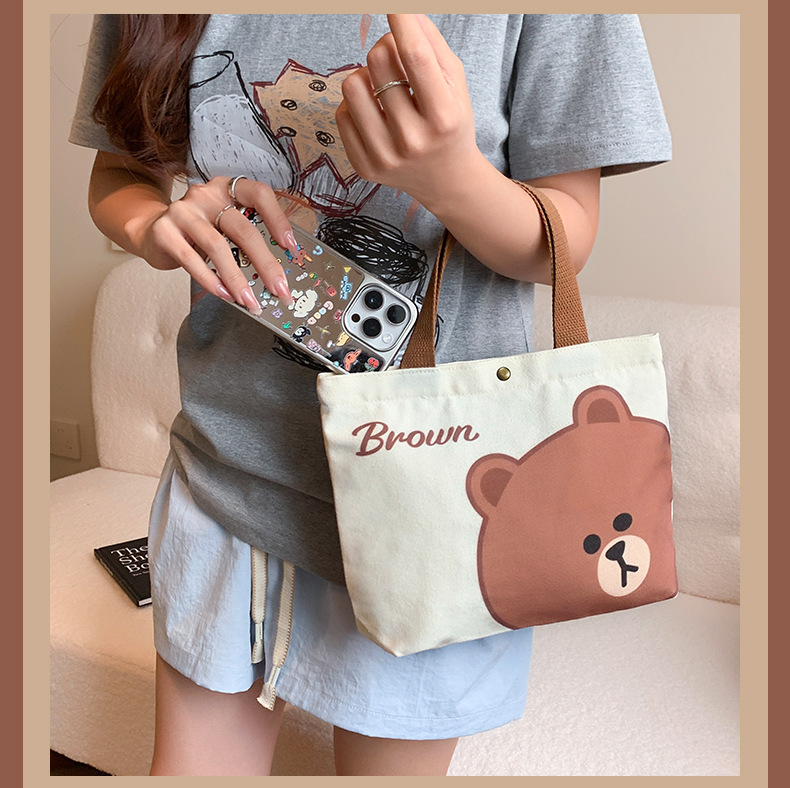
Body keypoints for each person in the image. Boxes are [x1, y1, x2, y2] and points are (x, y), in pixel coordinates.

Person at [70, 13, 671, 776]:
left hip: (435, 501)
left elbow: (567, 234)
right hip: (219, 478)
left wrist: (451, 179)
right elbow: (119, 174)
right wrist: (158, 225)